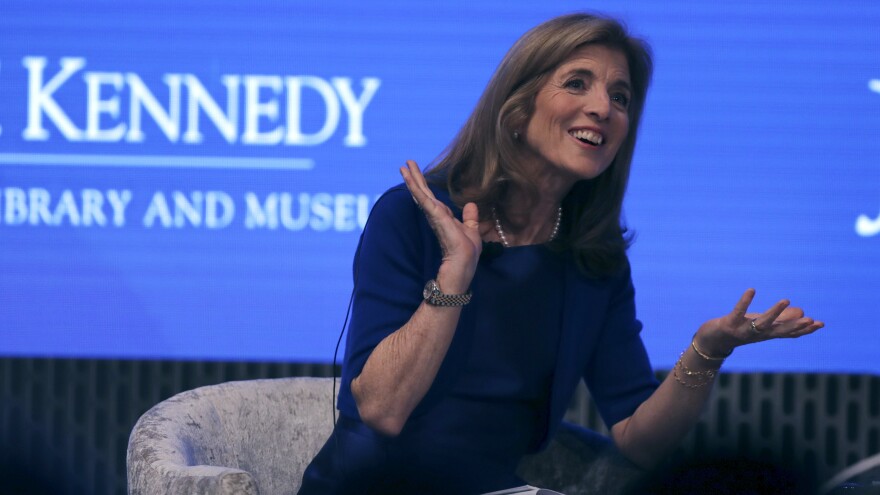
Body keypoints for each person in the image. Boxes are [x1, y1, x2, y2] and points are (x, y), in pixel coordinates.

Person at [298, 12, 824, 495]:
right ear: (518, 108)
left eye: (621, 98)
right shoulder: (412, 215)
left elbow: (638, 438)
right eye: (577, 83)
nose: (603, 107)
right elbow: (382, 412)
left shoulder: (593, 257)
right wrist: (456, 272)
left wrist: (707, 351)